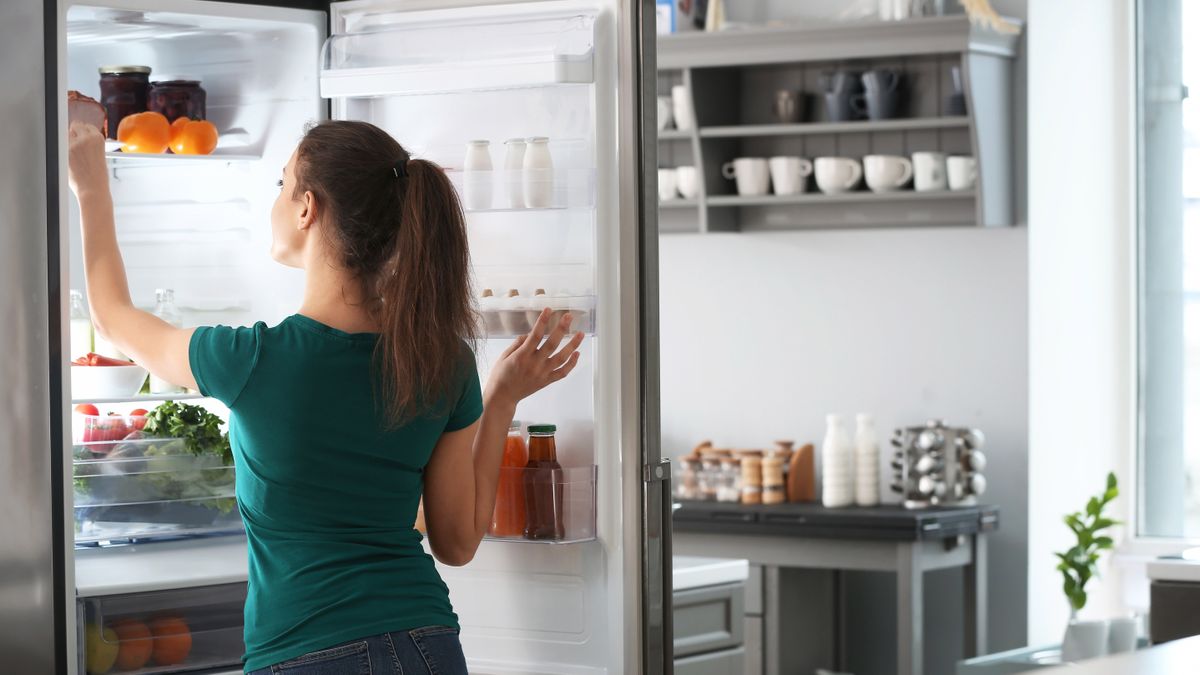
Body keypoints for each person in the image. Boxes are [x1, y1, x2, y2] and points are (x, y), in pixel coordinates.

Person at [67, 119, 584, 675]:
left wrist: (91, 185)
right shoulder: (442, 359)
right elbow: (457, 543)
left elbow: (113, 320)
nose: (276, 201)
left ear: (307, 208)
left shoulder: (251, 360)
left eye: (281, 183)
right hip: (427, 645)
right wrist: (499, 399)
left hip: (307, 654)